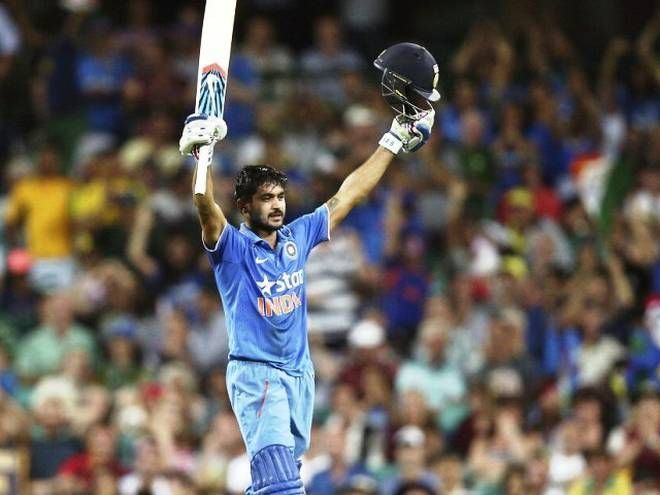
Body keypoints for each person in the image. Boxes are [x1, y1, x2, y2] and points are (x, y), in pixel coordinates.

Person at [178, 43, 440, 495]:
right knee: (281, 483)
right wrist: (200, 158)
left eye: (279, 196)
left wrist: (392, 142)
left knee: (277, 480)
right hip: (256, 375)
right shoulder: (233, 250)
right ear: (245, 206)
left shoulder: (299, 237)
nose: (277, 205)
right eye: (265, 199)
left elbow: (348, 195)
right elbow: (206, 209)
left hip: (299, 374)